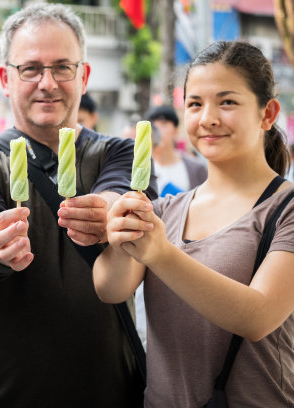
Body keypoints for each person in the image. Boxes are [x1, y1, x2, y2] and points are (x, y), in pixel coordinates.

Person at [0, 4, 157, 407]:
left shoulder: (121, 153)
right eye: (30, 69)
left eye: (63, 67)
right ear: (6, 79)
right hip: (4, 394)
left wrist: (109, 210)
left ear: (84, 75)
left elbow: (121, 190)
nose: (48, 83)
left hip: (111, 391)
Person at [93, 41, 294, 406]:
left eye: (227, 102)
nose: (208, 118)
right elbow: (110, 289)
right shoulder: (164, 209)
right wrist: (120, 239)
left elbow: (258, 316)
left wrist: (161, 254)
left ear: (267, 114)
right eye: (195, 104)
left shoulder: (286, 209)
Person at [145, 104, 207, 196]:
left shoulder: (196, 169)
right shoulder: (140, 169)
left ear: (175, 131)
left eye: (163, 124)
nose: (157, 130)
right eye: (153, 125)